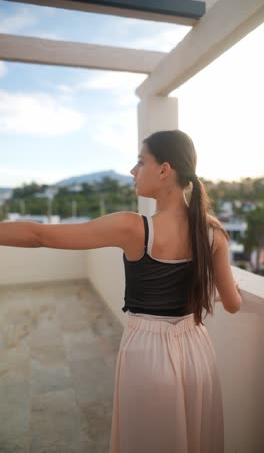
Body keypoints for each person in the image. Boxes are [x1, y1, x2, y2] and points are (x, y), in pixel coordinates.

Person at [0, 129, 241, 453]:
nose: (132, 171)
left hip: (148, 355)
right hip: (198, 353)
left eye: (140, 161)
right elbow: (233, 304)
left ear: (164, 169)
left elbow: (39, 235)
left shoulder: (133, 227)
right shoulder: (213, 231)